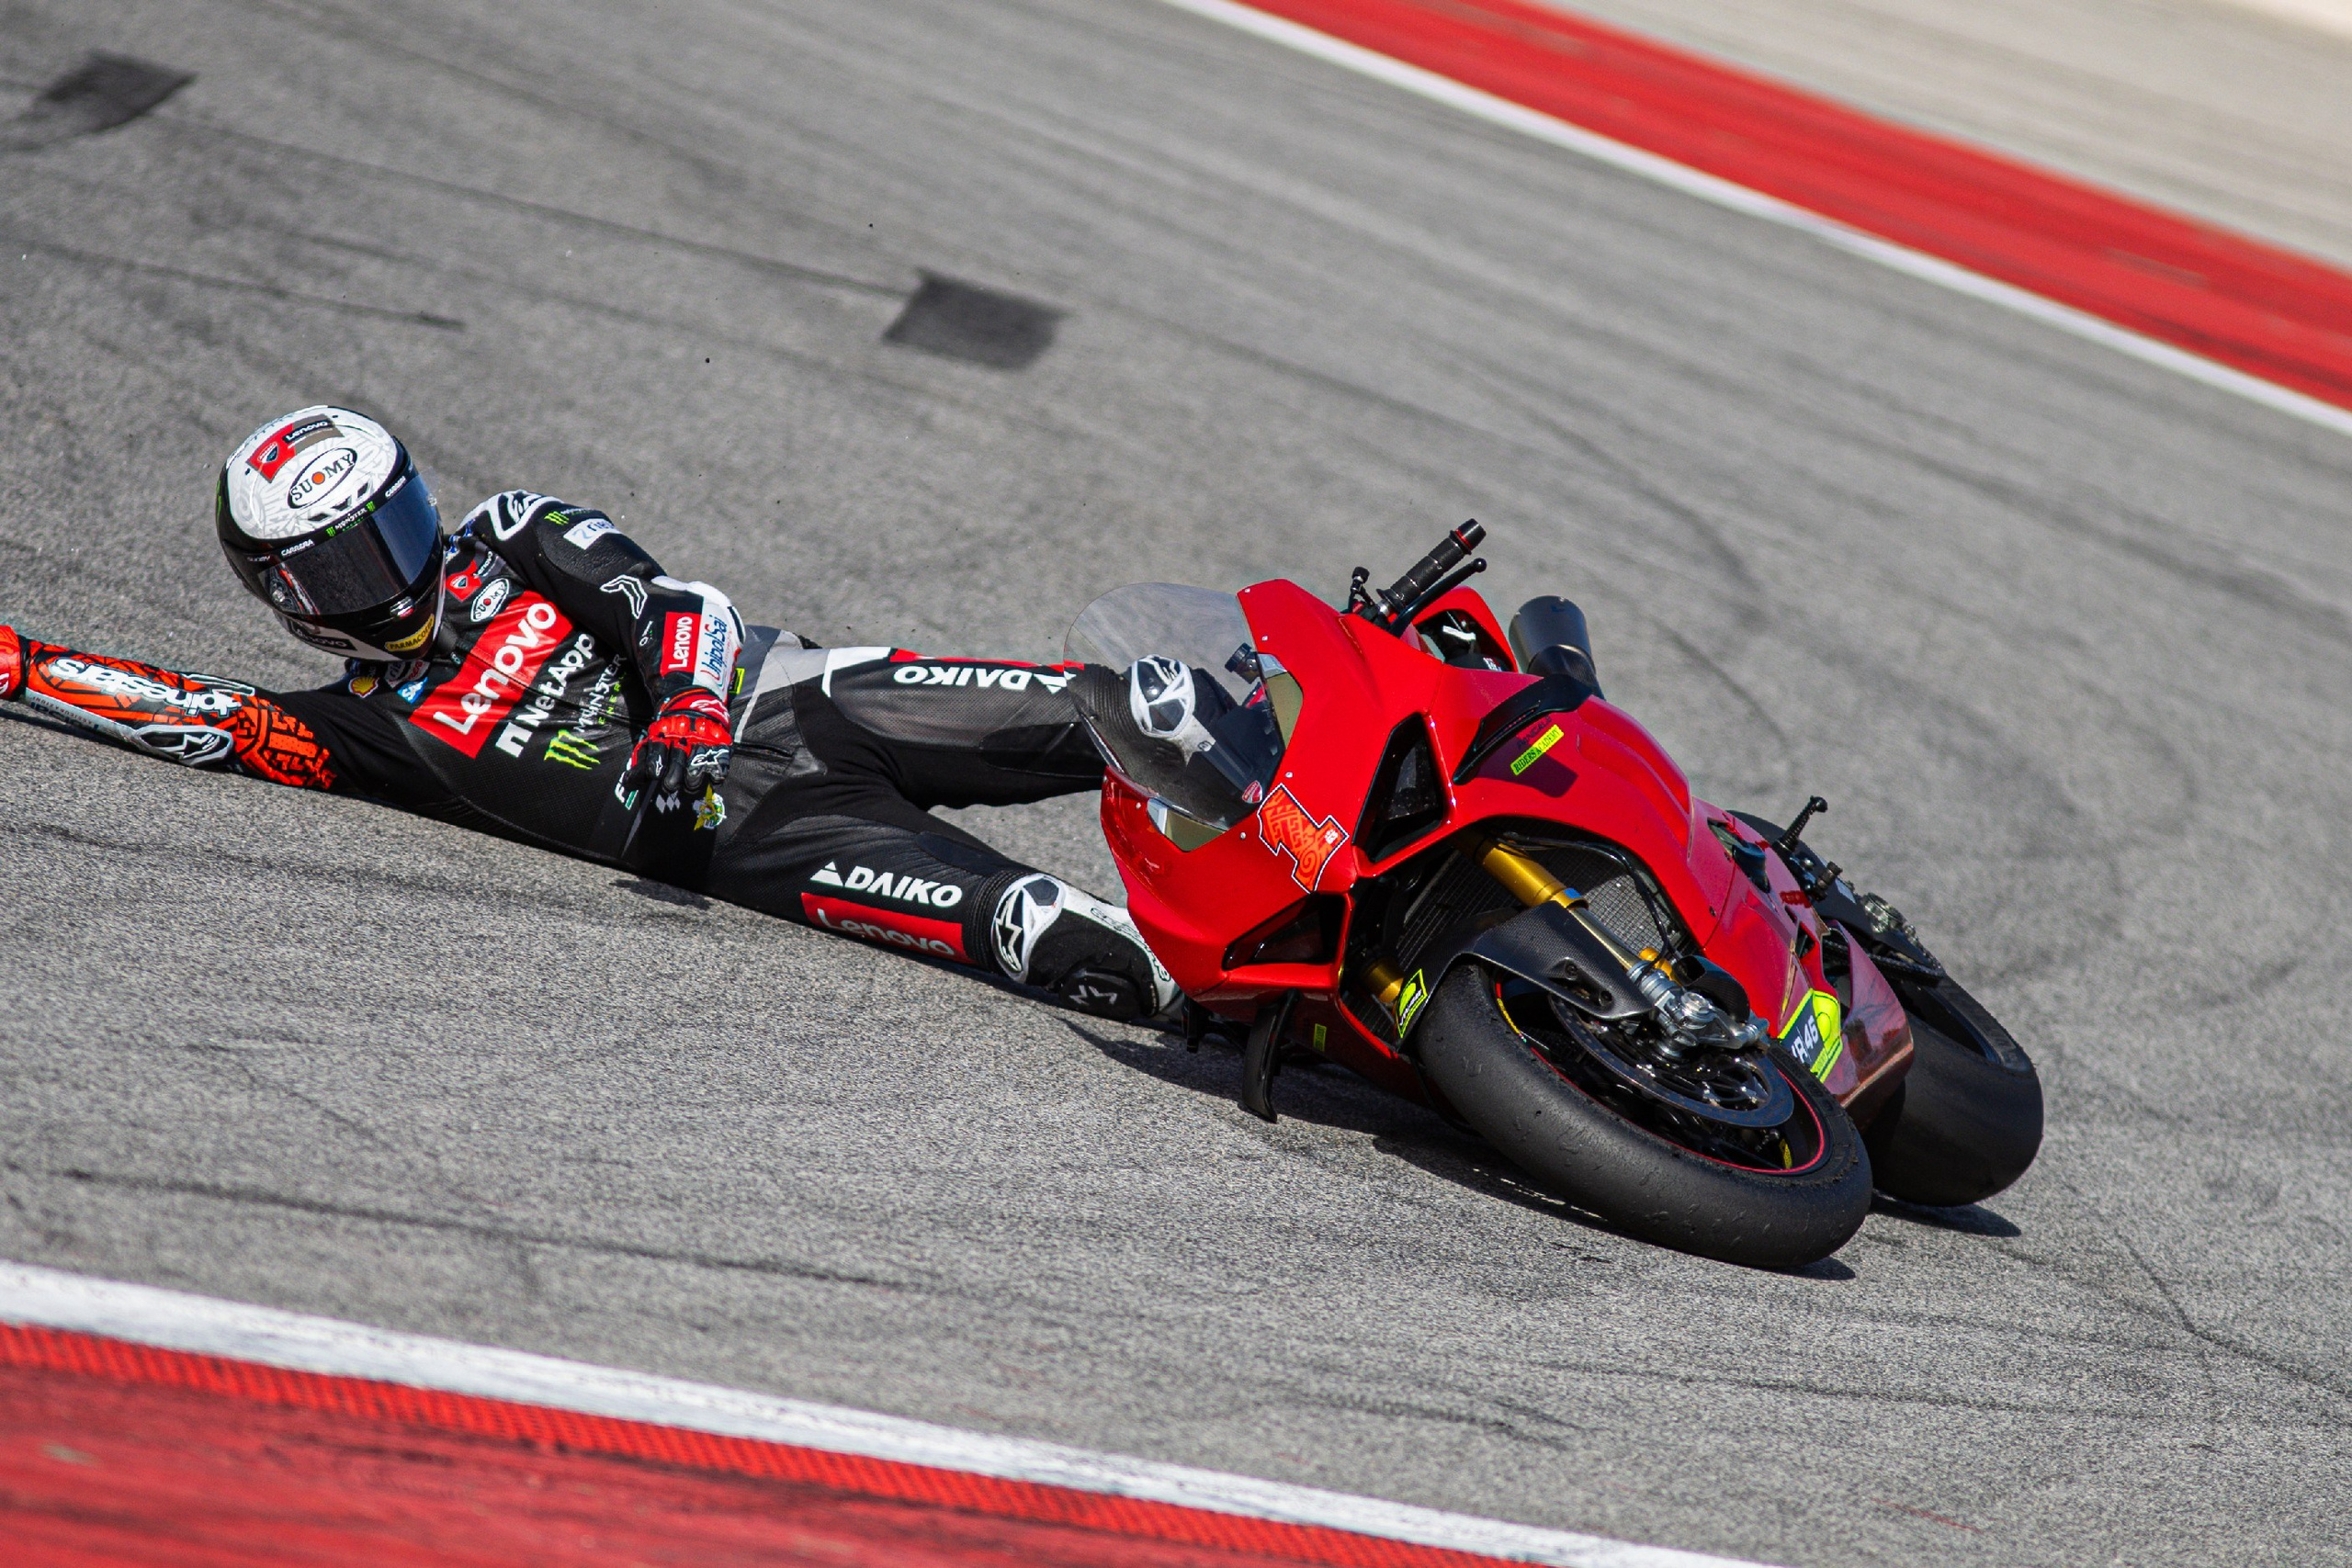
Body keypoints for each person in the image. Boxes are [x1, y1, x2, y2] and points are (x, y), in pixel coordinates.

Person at [0, 406, 1176, 1021]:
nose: (392, 576)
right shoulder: (359, 734)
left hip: (802, 700)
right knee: (1067, 942)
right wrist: (19, 665)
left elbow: (674, 602)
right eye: (347, 568)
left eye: (393, 530)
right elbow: (200, 716)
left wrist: (687, 713)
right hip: (767, 846)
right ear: (295, 602)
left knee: (1138, 713)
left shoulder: (513, 529)